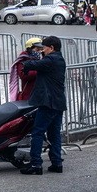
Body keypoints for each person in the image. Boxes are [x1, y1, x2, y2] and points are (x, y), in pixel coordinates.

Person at [21, 36, 67, 175]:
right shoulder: (59, 59)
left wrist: (28, 59)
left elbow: (31, 65)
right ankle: (56, 163)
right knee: (54, 134)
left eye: (44, 48)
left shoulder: (51, 60)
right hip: (58, 102)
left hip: (48, 103)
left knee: (38, 132)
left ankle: (36, 164)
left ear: (51, 48)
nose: (42, 50)